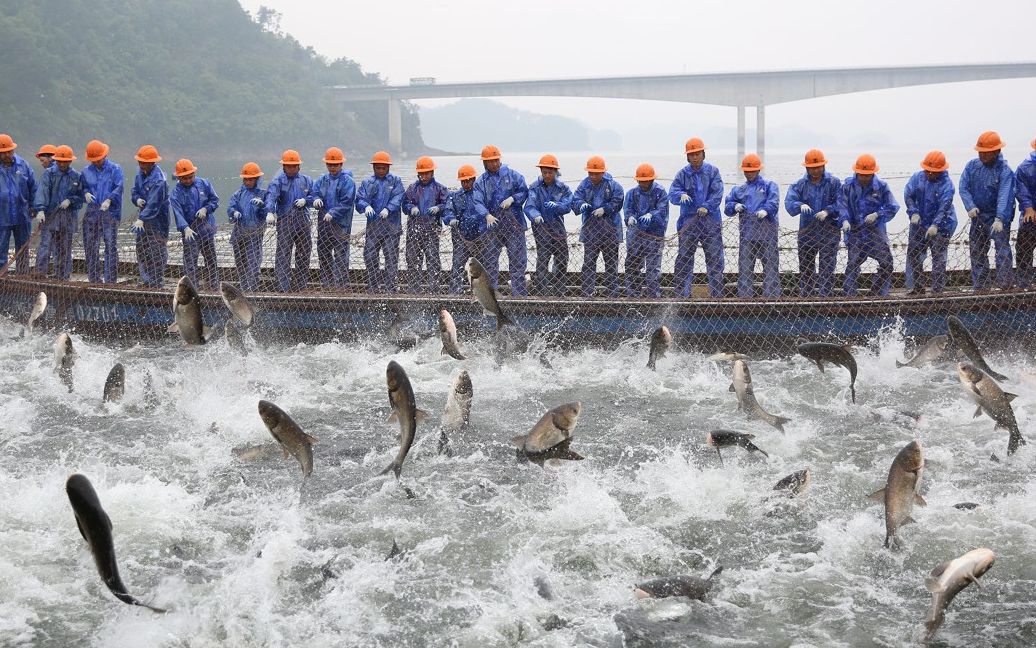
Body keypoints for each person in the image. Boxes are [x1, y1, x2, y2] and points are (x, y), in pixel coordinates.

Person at [960, 131, 1016, 290]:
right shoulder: (972, 166)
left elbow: (1005, 195)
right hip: (978, 216)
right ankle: (981, 287)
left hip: (998, 218)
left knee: (1002, 251)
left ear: (996, 151)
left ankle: (1004, 286)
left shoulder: (1005, 170)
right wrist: (970, 206)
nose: (982, 155)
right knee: (977, 252)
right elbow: (963, 187)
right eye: (980, 152)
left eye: (985, 153)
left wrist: (1000, 218)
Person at [669, 137, 724, 297]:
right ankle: (682, 295)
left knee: (715, 259)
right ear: (687, 156)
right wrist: (681, 195)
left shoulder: (713, 172)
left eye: (697, 153)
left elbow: (718, 192)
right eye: (691, 154)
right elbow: (672, 193)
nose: (694, 157)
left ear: (703, 154)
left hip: (710, 223)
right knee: (684, 259)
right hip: (689, 224)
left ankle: (717, 295)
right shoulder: (682, 174)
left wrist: (707, 207)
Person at [839, 154, 900, 296]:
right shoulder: (847, 186)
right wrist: (844, 220)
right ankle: (850, 295)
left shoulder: (882, 187)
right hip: (855, 232)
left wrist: (878, 214)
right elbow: (841, 205)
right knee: (853, 265)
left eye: (867, 175)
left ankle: (877, 293)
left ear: (873, 173)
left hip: (875, 232)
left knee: (887, 263)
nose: (864, 178)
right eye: (861, 175)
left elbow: (892, 206)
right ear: (857, 172)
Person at [785, 149, 842, 296]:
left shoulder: (834, 182)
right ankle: (807, 297)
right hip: (807, 232)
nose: (816, 170)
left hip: (829, 231)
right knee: (806, 266)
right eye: (812, 168)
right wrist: (800, 205)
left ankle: (826, 297)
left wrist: (828, 211)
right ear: (806, 167)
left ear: (824, 166)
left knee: (827, 267)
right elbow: (789, 202)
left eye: (818, 167)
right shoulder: (799, 184)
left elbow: (842, 203)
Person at [473, 145, 529, 294]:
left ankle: (519, 297)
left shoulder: (514, 176)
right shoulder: (480, 182)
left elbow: (524, 191)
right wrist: (486, 215)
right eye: (489, 161)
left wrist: (513, 198)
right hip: (492, 229)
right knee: (490, 265)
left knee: (518, 264)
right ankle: (492, 299)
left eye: (495, 160)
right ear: (484, 162)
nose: (493, 163)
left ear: (499, 159)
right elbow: (477, 201)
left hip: (514, 226)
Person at [724, 154, 781, 298]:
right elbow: (727, 206)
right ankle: (745, 298)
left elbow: (774, 203)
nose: (749, 173)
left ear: (758, 170)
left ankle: (771, 298)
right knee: (745, 269)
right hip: (747, 236)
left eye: (752, 170)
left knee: (770, 268)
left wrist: (766, 210)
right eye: (746, 171)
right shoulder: (739, 190)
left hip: (767, 236)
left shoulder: (769, 186)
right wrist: (734, 205)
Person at [903, 151, 957, 294]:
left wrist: (935, 225)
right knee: (914, 254)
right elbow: (908, 194)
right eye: (928, 170)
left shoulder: (947, 185)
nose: (930, 174)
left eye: (933, 171)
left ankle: (937, 290)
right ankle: (916, 287)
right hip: (919, 222)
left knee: (938, 257)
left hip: (942, 224)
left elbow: (944, 207)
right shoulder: (917, 178)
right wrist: (913, 211)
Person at [573, 155, 624, 297]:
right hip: (591, 232)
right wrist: (580, 205)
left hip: (611, 232)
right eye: (590, 173)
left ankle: (612, 294)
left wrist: (605, 209)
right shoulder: (584, 185)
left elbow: (618, 201)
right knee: (588, 263)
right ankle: (587, 293)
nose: (593, 176)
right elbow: (575, 199)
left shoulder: (614, 185)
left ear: (603, 172)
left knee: (611, 265)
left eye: (596, 173)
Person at [265, 149, 314, 292]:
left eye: (294, 166)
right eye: (288, 166)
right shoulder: (278, 182)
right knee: (283, 254)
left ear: (299, 166)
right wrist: (270, 211)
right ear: (283, 166)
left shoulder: (307, 180)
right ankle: (282, 287)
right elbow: (271, 197)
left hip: (303, 221)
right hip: (285, 222)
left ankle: (301, 286)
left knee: (304, 253)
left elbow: (315, 196)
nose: (291, 168)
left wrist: (306, 200)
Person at [524, 154, 573, 295]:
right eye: (544, 172)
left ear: (555, 172)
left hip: (558, 229)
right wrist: (536, 216)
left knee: (562, 260)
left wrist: (557, 206)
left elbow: (568, 205)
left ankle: (560, 291)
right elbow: (529, 206)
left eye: (550, 172)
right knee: (542, 260)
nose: (547, 175)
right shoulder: (534, 187)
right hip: (541, 230)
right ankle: (542, 292)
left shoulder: (563, 188)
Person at [33, 145, 84, 280]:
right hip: (50, 217)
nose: (62, 164)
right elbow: (42, 192)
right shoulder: (49, 174)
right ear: (55, 160)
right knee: (45, 246)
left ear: (70, 161)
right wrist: (41, 210)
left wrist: (70, 200)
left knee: (64, 249)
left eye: (65, 161)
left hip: (67, 219)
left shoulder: (76, 176)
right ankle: (39, 274)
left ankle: (62, 276)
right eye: (60, 161)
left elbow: (81, 198)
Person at [357, 151, 404, 293]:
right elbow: (359, 199)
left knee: (391, 257)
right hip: (373, 228)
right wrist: (365, 206)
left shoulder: (396, 181)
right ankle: (373, 287)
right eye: (378, 168)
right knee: (370, 256)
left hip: (392, 228)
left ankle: (390, 288)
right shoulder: (367, 183)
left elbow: (399, 196)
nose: (381, 170)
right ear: (374, 168)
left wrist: (389, 209)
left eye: (384, 168)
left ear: (388, 167)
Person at [170, 158, 220, 290]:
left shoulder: (204, 183)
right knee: (190, 262)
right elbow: (177, 213)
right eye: (184, 178)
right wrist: (185, 227)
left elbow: (214, 200)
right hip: (190, 232)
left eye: (190, 177)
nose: (187, 180)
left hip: (206, 229)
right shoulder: (176, 193)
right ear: (179, 178)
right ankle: (192, 288)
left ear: (194, 174)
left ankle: (213, 287)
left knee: (211, 259)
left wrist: (206, 209)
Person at [402, 156, 449, 293]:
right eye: (421, 173)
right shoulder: (411, 188)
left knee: (433, 260)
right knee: (412, 260)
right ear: (418, 174)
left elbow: (447, 204)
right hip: (413, 230)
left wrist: (438, 208)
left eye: (427, 173)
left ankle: (434, 290)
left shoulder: (440, 188)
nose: (424, 176)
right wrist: (411, 208)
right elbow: (404, 205)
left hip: (432, 230)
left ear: (432, 172)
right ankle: (413, 290)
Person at [312, 147, 356, 290]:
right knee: (323, 253)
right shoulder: (321, 180)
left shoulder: (348, 181)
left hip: (341, 225)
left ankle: (341, 286)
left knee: (341, 254)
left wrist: (333, 212)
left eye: (335, 164)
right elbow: (314, 192)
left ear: (341, 164)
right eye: (330, 164)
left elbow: (347, 202)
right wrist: (316, 199)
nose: (332, 167)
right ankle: (327, 284)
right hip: (323, 224)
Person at [80, 139, 123, 284]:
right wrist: (85, 193)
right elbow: (82, 187)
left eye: (98, 159)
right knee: (91, 246)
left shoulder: (115, 169)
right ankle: (94, 279)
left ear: (104, 156)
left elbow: (119, 187)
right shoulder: (86, 171)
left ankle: (110, 280)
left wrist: (110, 199)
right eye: (94, 160)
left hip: (110, 213)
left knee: (110, 246)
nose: (96, 162)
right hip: (92, 213)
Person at [623, 163, 669, 298]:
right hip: (636, 235)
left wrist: (651, 215)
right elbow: (628, 209)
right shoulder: (631, 193)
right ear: (637, 180)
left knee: (653, 268)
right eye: (641, 181)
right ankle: (633, 295)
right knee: (632, 265)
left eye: (646, 181)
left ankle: (653, 295)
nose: (644, 183)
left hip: (655, 235)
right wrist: (630, 217)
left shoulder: (660, 192)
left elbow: (662, 209)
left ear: (652, 179)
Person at [129, 144, 170, 288]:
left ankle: (156, 281)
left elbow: (154, 204)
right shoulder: (139, 174)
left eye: (144, 162)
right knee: (142, 248)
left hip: (158, 221)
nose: (141, 164)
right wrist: (137, 199)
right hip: (143, 219)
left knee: (156, 250)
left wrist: (142, 218)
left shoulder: (159, 180)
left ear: (152, 162)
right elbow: (134, 191)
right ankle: (146, 280)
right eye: (139, 162)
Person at [444, 164, 486, 294]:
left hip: (480, 237)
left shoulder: (481, 194)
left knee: (482, 267)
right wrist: (450, 219)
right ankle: (454, 293)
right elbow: (448, 210)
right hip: (460, 238)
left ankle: (481, 293)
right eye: (463, 181)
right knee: (457, 265)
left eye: (468, 180)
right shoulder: (454, 196)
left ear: (474, 179)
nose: (466, 183)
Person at [227, 162, 269, 292]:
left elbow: (268, 212)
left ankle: (252, 288)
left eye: (251, 179)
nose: (248, 182)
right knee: (240, 262)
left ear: (257, 179)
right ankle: (243, 287)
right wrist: (234, 212)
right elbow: (230, 208)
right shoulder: (237, 194)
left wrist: (263, 206)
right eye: (246, 179)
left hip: (255, 234)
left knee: (253, 262)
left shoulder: (263, 194)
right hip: (239, 234)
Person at [0, 133, 38, 274]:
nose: (6, 155)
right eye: (2, 153)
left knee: (23, 248)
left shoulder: (23, 165)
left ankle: (22, 275)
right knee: (1, 248)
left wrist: (35, 207)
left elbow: (33, 187)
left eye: (8, 151)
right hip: (1, 216)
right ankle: (2, 276)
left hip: (22, 214)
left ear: (13, 150)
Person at [1015, 138, 1036, 289]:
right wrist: (1029, 207)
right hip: (1030, 216)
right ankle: (1024, 284)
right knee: (1024, 249)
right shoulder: (1025, 168)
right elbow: (1021, 189)